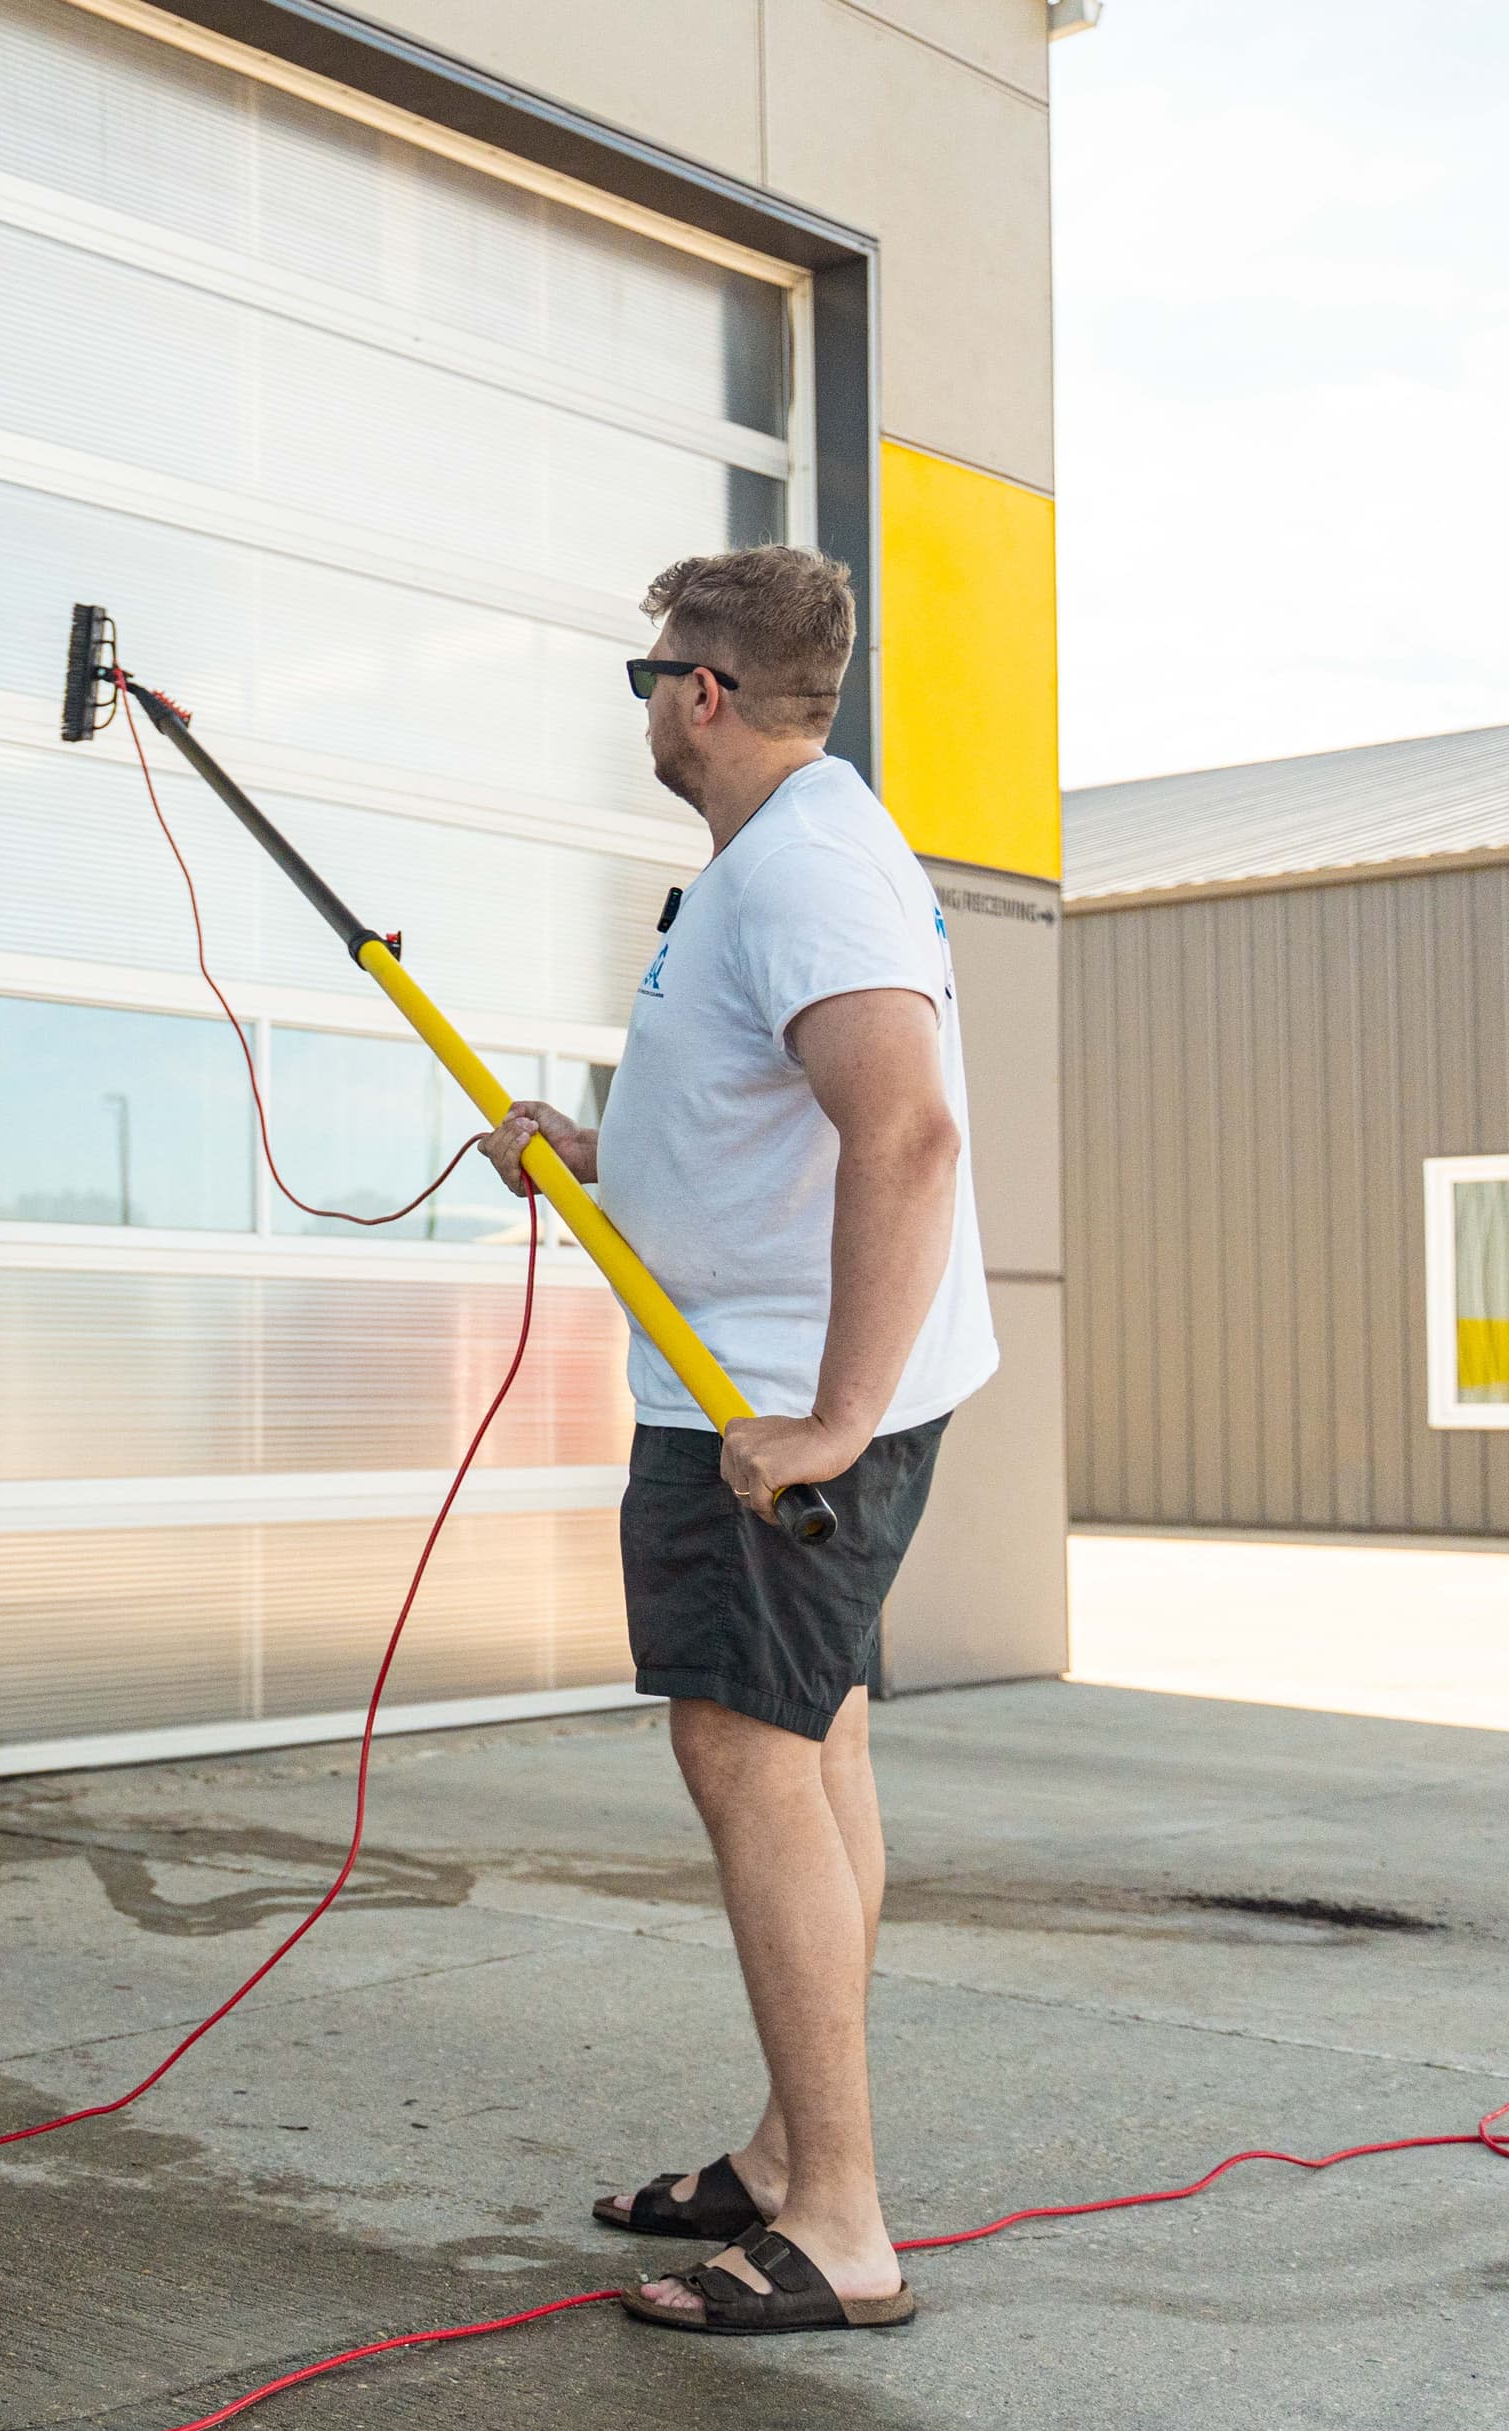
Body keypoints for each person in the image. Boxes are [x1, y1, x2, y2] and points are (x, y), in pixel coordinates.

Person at [479, 545, 995, 2336]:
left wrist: (834, 1421)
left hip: (774, 1412)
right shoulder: (774, 866)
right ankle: (792, 2158)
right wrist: (601, 1155)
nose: (644, 702)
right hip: (762, 1385)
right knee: (815, 1754)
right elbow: (768, 1125)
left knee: (748, 1757)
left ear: (703, 694)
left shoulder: (806, 876)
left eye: (650, 676)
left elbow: (906, 1136)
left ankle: (840, 2221)